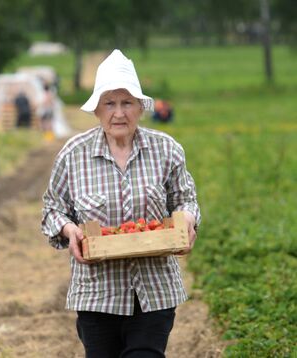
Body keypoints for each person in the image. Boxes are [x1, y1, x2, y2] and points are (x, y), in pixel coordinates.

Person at [41, 49, 200, 357]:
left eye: (127, 103)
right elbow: (52, 209)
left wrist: (187, 220)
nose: (119, 113)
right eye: (109, 103)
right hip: (97, 294)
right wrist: (69, 229)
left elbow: (185, 199)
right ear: (97, 110)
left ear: (140, 107)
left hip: (155, 291)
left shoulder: (166, 150)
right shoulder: (74, 154)